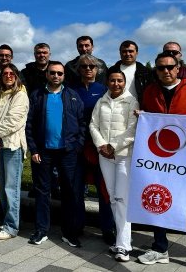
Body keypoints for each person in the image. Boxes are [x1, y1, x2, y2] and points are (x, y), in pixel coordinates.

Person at [138, 51, 186, 271]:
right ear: (156, 70)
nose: (166, 71)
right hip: (159, 158)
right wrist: (141, 115)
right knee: (158, 200)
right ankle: (160, 248)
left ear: (178, 68)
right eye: (161, 68)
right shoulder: (151, 91)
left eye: (170, 67)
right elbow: (148, 120)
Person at [25, 61, 86, 247]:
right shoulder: (37, 95)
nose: (56, 76)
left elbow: (82, 123)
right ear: (47, 74)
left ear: (64, 76)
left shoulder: (73, 96)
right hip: (43, 152)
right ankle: (41, 230)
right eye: (53, 73)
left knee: (69, 192)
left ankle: (69, 232)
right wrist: (33, 149)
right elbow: (29, 125)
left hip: (67, 152)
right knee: (42, 192)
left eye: (60, 73)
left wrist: (77, 146)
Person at [89, 70, 138, 262]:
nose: (116, 83)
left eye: (120, 80)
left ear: (124, 83)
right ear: (107, 82)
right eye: (112, 80)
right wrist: (101, 145)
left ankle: (124, 246)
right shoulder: (101, 101)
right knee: (113, 199)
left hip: (124, 156)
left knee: (122, 198)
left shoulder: (132, 102)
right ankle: (121, 240)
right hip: (105, 156)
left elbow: (132, 129)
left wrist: (114, 146)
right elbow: (93, 125)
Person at [73, 54, 115, 245]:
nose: (88, 69)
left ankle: (107, 228)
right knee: (76, 188)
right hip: (77, 147)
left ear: (98, 70)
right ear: (78, 69)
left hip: (100, 146)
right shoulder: (71, 89)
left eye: (92, 66)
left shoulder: (105, 90)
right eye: (84, 66)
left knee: (103, 188)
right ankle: (77, 225)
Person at [0, 63, 28, 240]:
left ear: (16, 76)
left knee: (11, 187)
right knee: (1, 186)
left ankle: (11, 226)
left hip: (12, 146)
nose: (8, 76)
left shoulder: (21, 95)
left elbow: (14, 120)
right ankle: (7, 220)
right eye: (5, 74)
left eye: (11, 73)